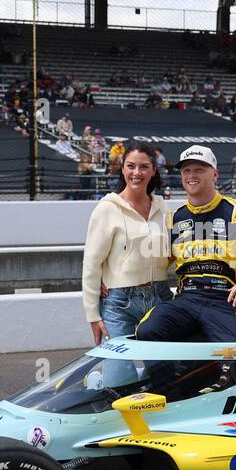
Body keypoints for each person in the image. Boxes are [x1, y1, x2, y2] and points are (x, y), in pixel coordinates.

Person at [136, 145, 236, 344]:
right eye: (186, 170)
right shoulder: (173, 220)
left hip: (225, 301)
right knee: (146, 331)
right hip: (185, 299)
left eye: (199, 169)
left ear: (215, 174)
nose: (191, 175)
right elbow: (153, 265)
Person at [81, 141, 170, 346]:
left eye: (144, 167)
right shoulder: (107, 209)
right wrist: (93, 315)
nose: (136, 172)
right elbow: (91, 265)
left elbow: (171, 252)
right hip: (119, 303)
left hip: (161, 298)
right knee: (118, 375)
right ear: (122, 169)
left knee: (163, 373)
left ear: (153, 171)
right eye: (130, 166)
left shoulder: (162, 207)